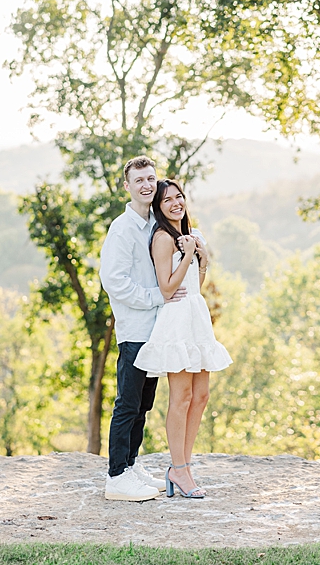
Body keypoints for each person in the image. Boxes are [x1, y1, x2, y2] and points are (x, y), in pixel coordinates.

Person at [133, 179, 232, 499]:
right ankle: (178, 467)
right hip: (175, 321)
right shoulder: (162, 238)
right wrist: (188, 255)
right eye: (167, 200)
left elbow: (196, 285)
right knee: (182, 397)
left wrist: (202, 259)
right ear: (159, 207)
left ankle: (184, 466)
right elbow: (166, 289)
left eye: (179, 197)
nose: (175, 203)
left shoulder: (190, 236)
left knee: (201, 395)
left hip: (196, 317)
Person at [99, 156, 187, 501]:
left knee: (144, 404)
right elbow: (114, 282)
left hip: (156, 330)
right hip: (135, 329)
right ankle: (116, 476)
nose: (147, 185)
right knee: (127, 404)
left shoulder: (155, 222)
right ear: (127, 186)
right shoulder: (122, 229)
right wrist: (158, 296)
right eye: (139, 180)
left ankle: (132, 465)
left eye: (151, 178)